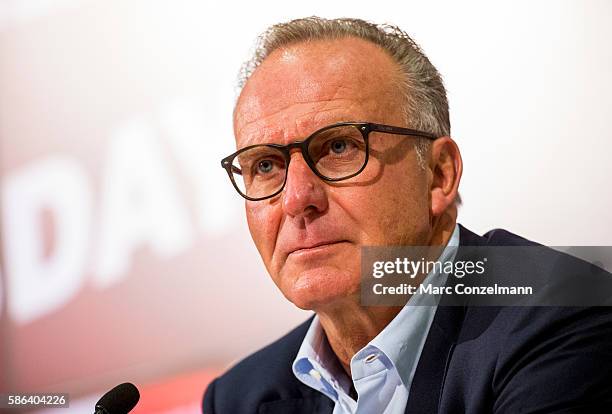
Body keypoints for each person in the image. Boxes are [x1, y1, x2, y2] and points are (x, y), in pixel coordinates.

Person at [203, 17, 612, 414]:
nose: (296, 198)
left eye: (339, 147)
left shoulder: (565, 318)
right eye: (265, 166)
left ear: (438, 175)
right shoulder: (239, 397)